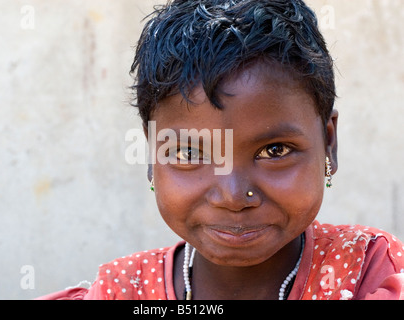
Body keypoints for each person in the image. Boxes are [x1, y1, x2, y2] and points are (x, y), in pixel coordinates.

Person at [39, 0, 404, 300]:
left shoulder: (369, 274)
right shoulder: (122, 292)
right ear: (152, 158)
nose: (233, 196)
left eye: (274, 150)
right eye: (188, 154)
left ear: (329, 144)